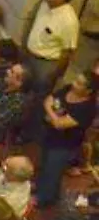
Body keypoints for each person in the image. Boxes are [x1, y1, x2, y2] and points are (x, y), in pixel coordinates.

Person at [35, 72, 98, 207]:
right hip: (50, 135)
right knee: (46, 165)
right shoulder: (68, 88)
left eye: (79, 83)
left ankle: (43, 199)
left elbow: (60, 124)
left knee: (52, 170)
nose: (74, 83)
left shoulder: (87, 108)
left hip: (64, 144)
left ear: (88, 91)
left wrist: (51, 115)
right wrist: (54, 117)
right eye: (76, 80)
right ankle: (47, 191)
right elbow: (48, 100)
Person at [24, 0, 79, 94]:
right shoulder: (44, 4)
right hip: (28, 55)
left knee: (38, 93)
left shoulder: (69, 21)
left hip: (45, 65)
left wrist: (55, 75)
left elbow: (67, 52)